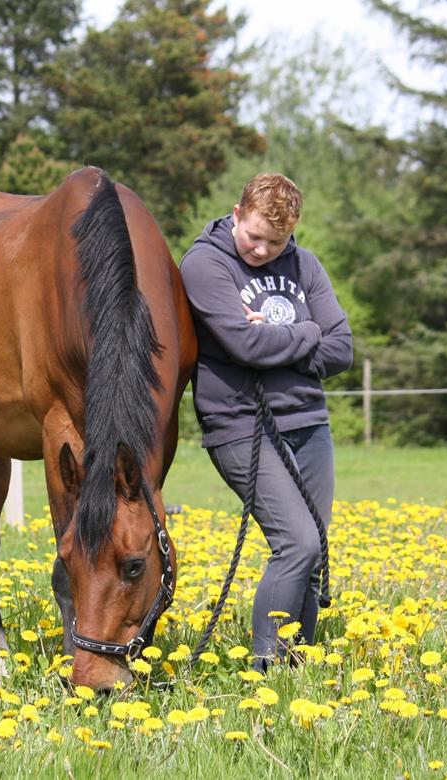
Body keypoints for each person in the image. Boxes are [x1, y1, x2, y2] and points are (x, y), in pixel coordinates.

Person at [179, 173, 353, 670]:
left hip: (309, 422)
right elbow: (244, 345)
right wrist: (308, 331)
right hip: (240, 424)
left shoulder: (305, 264)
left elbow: (341, 350)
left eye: (275, 242)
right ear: (237, 214)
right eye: (254, 236)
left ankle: (298, 667)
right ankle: (266, 671)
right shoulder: (205, 263)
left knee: (314, 551)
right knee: (297, 542)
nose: (261, 250)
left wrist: (280, 335)